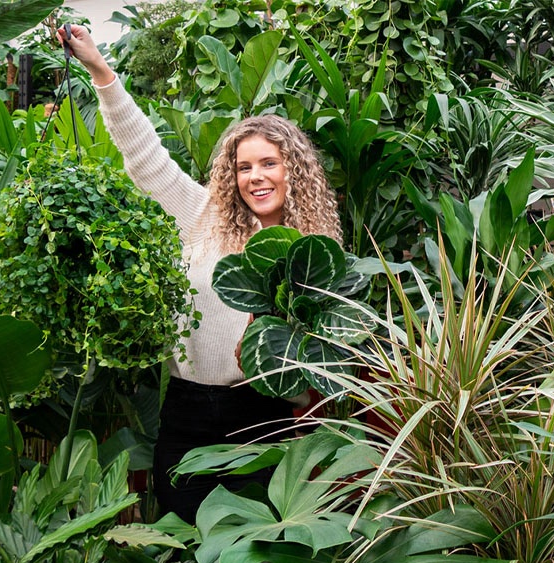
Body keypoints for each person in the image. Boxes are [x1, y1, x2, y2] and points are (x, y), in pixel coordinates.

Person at [58, 24, 343, 524]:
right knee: (186, 540)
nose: (255, 177)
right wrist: (100, 70)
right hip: (189, 407)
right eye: (244, 167)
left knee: (256, 553)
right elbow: (145, 158)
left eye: (269, 163)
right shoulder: (202, 217)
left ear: (292, 171)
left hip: (265, 417)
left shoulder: (315, 250)